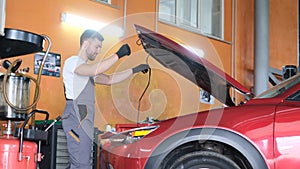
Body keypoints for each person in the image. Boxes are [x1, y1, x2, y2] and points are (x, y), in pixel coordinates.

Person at [62, 29, 149, 169]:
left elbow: (109, 79)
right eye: (96, 47)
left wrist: (134, 70)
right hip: (76, 116)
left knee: (82, 161)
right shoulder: (73, 62)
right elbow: (94, 70)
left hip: (84, 118)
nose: (98, 51)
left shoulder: (87, 69)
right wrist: (118, 55)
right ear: (85, 44)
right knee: (80, 163)